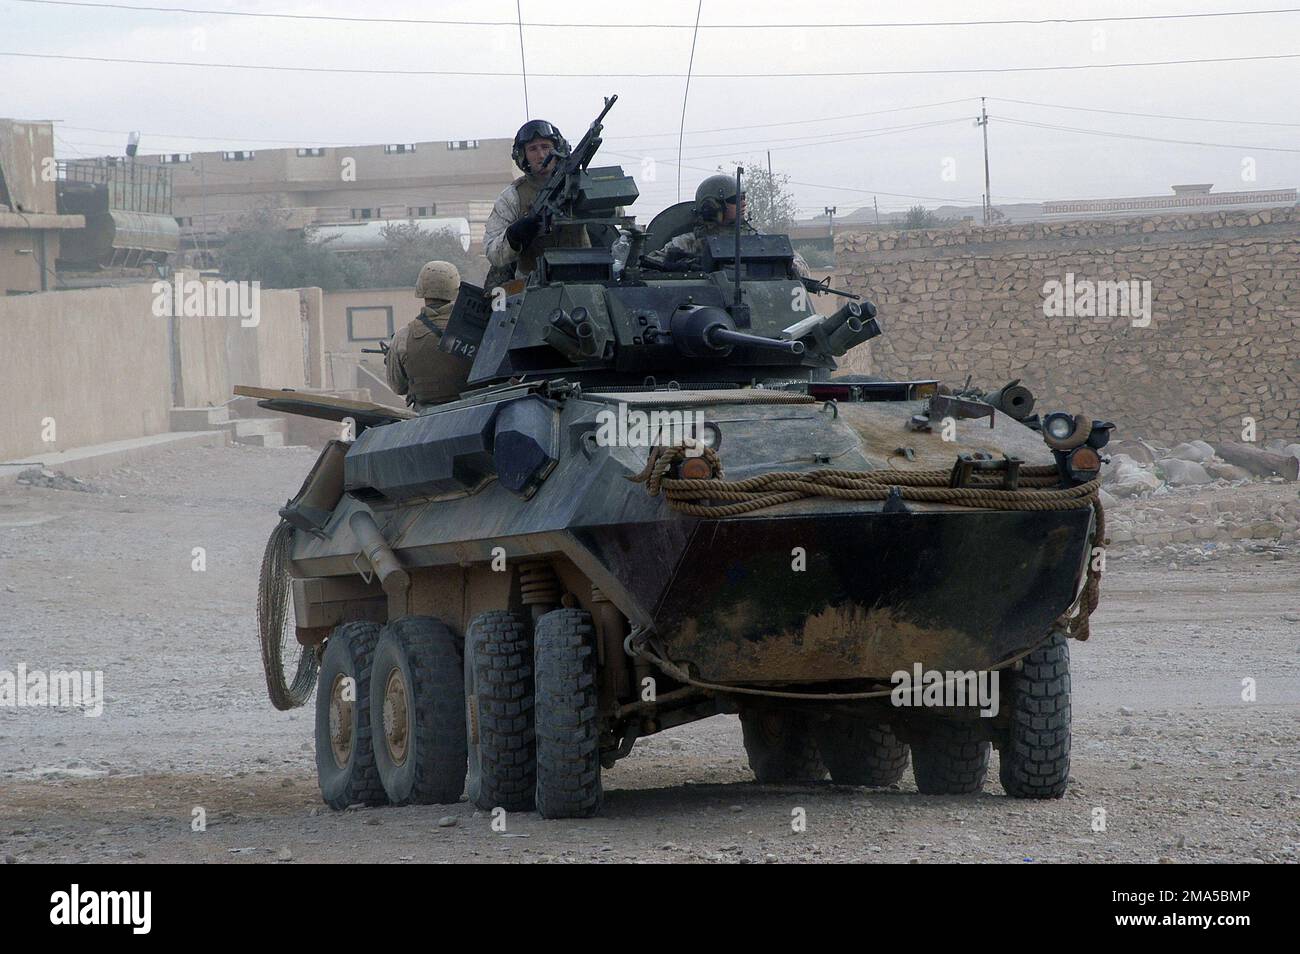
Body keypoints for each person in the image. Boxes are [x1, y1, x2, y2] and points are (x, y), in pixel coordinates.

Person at [483, 118, 591, 286]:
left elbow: (614, 222)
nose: (541, 155)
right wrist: (513, 236)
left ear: (558, 149)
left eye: (546, 147)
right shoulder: (512, 197)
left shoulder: (581, 184)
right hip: (532, 288)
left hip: (584, 280)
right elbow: (492, 252)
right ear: (523, 156)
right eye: (532, 149)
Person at [650, 173, 810, 278]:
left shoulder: (759, 241)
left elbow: (803, 271)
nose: (743, 203)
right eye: (735, 199)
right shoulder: (688, 243)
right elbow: (650, 265)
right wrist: (682, 266)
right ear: (712, 206)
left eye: (744, 197)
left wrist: (786, 265)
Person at [385, 260, 472, 409]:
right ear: (456, 289)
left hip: (424, 421)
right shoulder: (475, 330)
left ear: (421, 288)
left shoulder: (403, 336)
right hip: (471, 415)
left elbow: (398, 387)